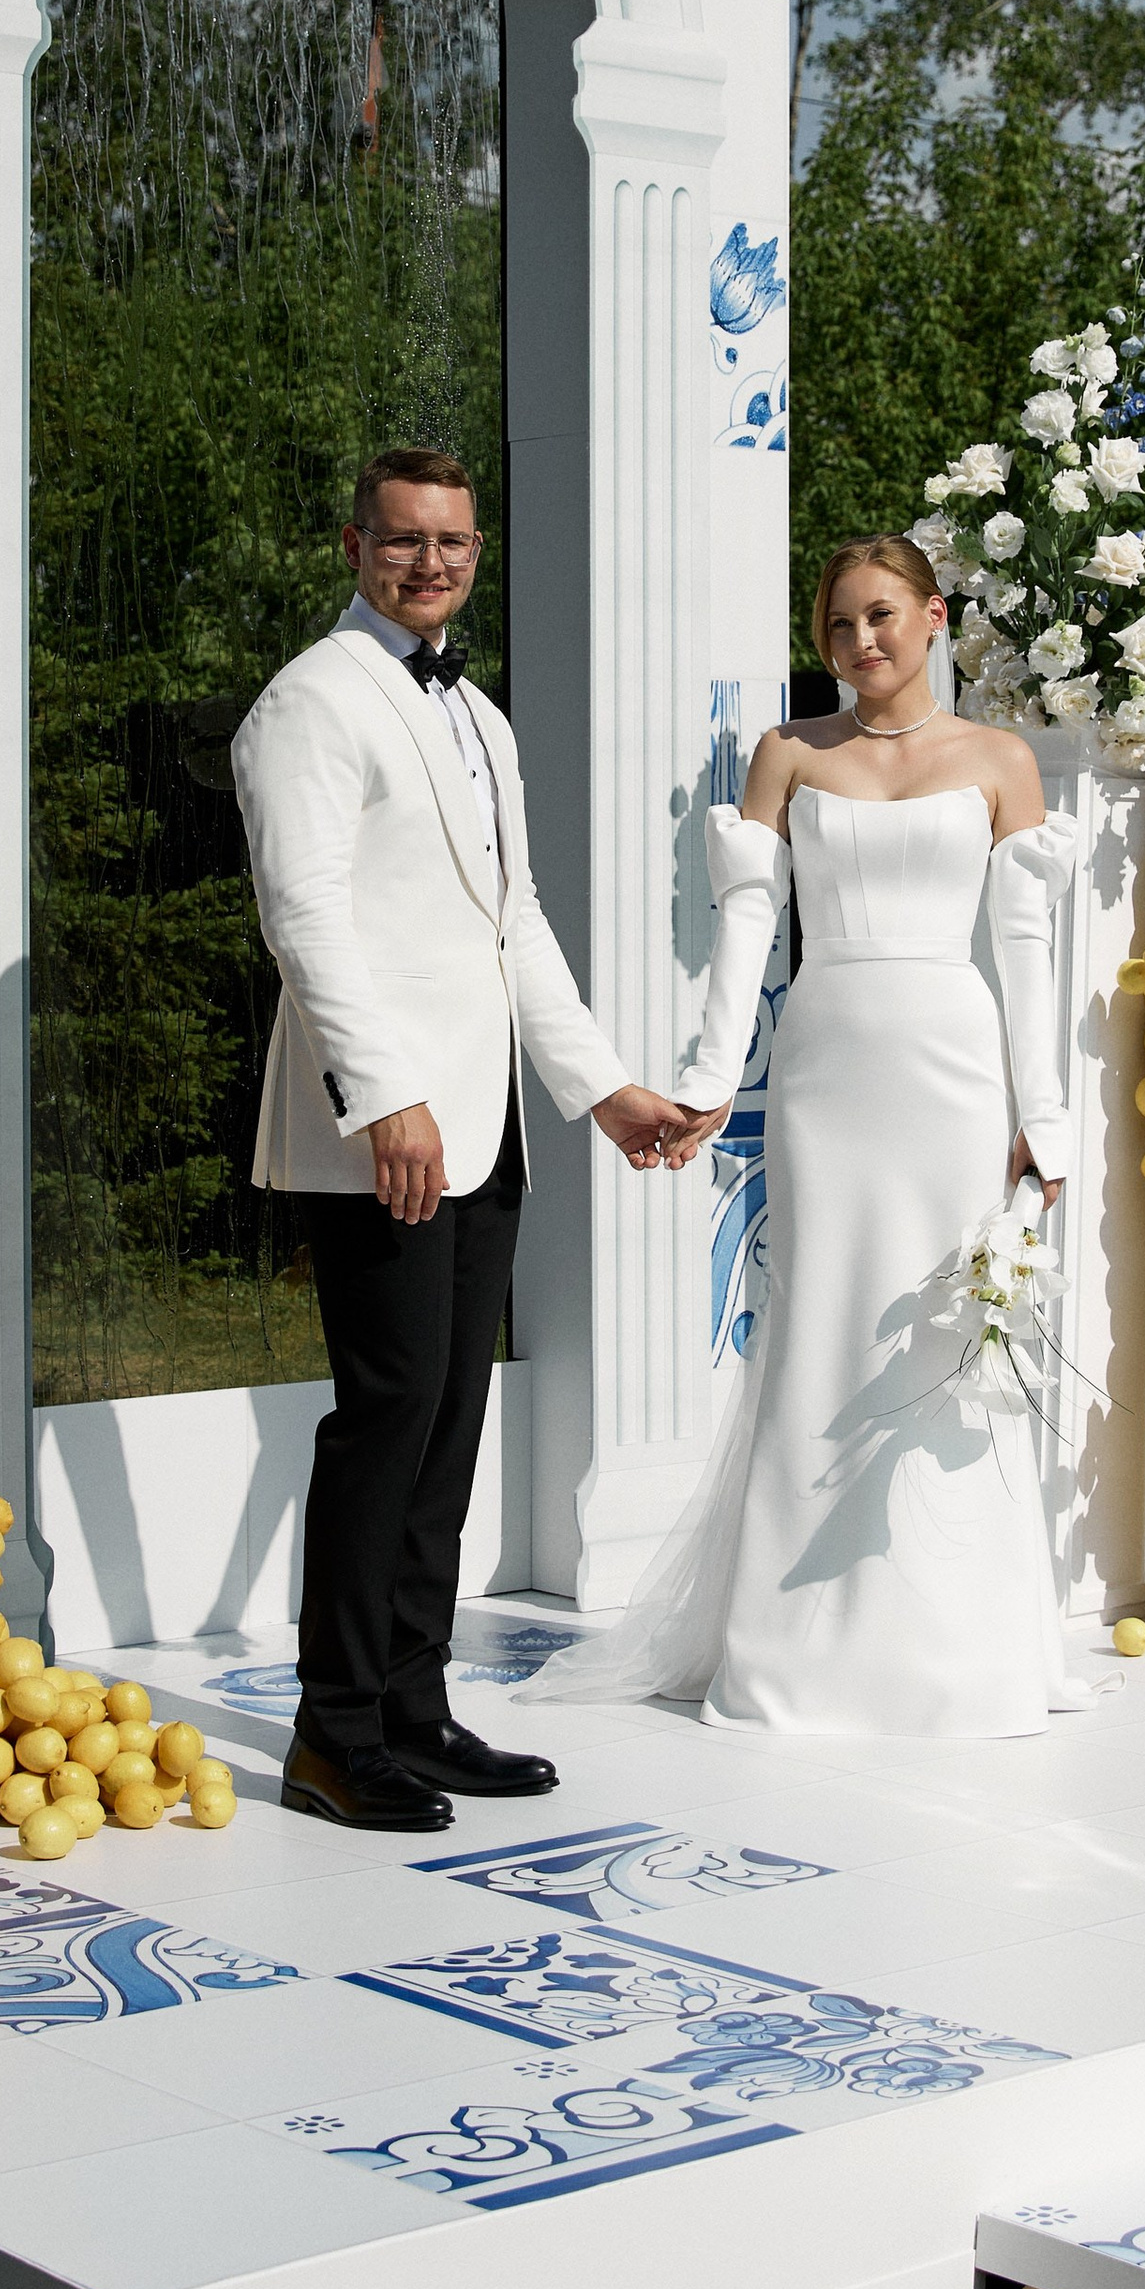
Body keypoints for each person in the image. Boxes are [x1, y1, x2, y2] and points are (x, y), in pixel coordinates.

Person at [527, 533, 1091, 1737]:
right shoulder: (787, 754)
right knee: (821, 1320)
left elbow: (1029, 959)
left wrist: (1039, 1122)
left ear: (935, 617)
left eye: (881, 617)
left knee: (946, 1329)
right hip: (827, 1065)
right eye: (838, 626)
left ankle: (959, 1650)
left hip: (952, 1065)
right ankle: (795, 1650)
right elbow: (744, 935)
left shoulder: (1000, 760)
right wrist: (705, 1082)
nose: (859, 644)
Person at [233, 445, 690, 1831]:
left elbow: (516, 924)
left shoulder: (479, 718)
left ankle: (416, 1708)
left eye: (454, 544)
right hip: (388, 1128)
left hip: (486, 1126)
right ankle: (333, 1730)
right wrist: (385, 1096)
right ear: (354, 543)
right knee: (386, 1419)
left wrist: (601, 1086)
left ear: (475, 552)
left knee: (447, 1419)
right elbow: (300, 914)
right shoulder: (312, 701)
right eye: (404, 541)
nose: (430, 564)